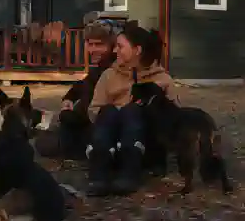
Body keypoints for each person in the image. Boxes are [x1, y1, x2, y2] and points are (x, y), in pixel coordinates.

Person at [86, 25, 179, 197]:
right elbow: (93, 110)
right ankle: (99, 174)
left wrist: (149, 103)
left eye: (120, 46)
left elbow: (174, 119)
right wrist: (115, 114)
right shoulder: (108, 75)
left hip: (144, 147)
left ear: (137, 50)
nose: (115, 51)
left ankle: (129, 174)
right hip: (111, 139)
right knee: (109, 111)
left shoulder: (162, 79)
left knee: (133, 111)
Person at [58, 18, 123, 160]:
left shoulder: (114, 68)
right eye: (90, 43)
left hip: (103, 128)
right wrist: (69, 97)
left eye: (99, 44)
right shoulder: (100, 67)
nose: (93, 49)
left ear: (112, 45)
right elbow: (84, 83)